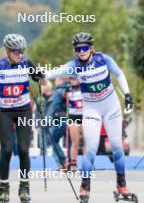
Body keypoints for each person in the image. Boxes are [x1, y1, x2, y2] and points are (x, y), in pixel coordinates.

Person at [46, 32, 135, 202]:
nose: (81, 51)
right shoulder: (75, 65)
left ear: (91, 48)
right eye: (78, 48)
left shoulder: (104, 59)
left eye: (84, 47)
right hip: (92, 110)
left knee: (117, 146)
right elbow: (54, 73)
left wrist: (128, 94)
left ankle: (121, 185)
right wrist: (37, 73)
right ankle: (85, 187)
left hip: (111, 107)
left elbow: (119, 74)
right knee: (91, 147)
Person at [0, 34, 47, 203]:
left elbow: (44, 84)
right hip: (5, 112)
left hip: (24, 111)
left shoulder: (27, 64)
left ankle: (24, 186)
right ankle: (4, 187)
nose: (19, 54)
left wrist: (40, 76)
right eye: (16, 51)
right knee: (7, 149)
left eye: (22, 51)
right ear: (8, 51)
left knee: (23, 149)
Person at [66, 77, 83, 171]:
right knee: (75, 142)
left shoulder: (84, 86)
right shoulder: (67, 88)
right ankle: (73, 164)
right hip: (73, 117)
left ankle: (88, 163)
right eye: (71, 78)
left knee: (86, 141)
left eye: (74, 78)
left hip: (85, 115)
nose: (73, 80)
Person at [35, 81, 53, 155]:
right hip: (42, 124)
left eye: (41, 87)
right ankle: (43, 157)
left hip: (53, 123)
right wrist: (37, 124)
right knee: (42, 144)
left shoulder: (56, 97)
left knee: (54, 143)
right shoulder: (39, 99)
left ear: (47, 87)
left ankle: (56, 160)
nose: (40, 89)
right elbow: (37, 113)